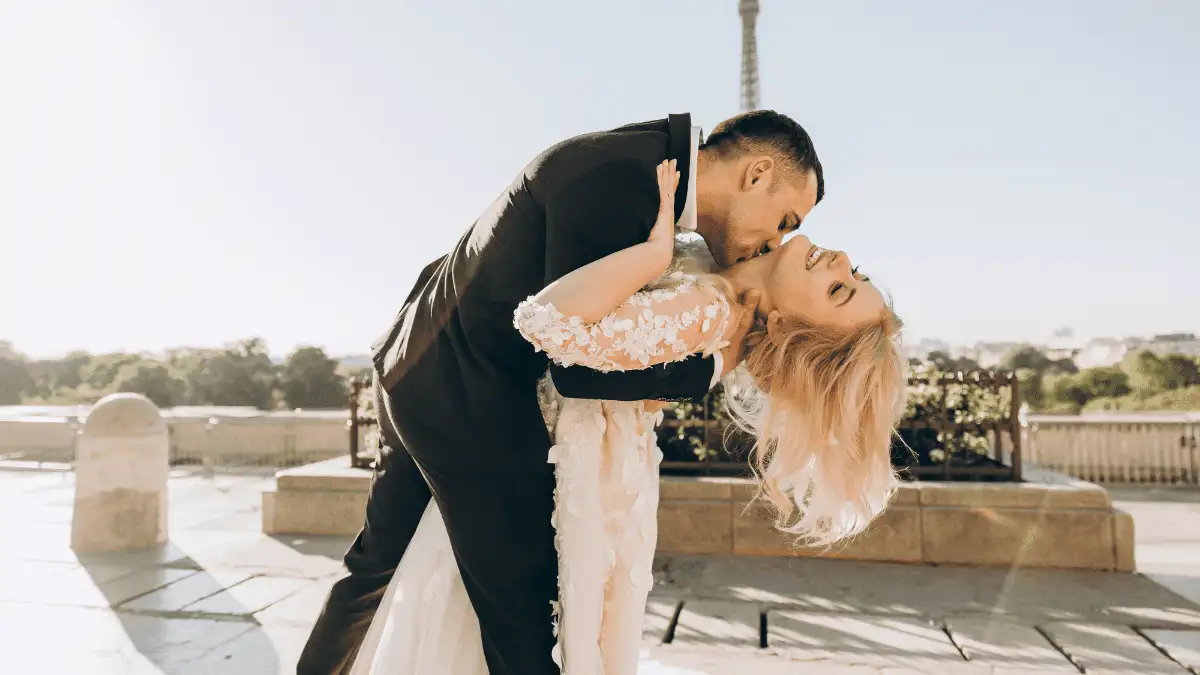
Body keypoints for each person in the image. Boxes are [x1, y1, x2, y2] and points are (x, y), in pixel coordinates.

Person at [300, 111, 836, 675]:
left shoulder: (641, 160)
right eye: (784, 220)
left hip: (415, 361)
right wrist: (710, 368)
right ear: (755, 174)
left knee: (374, 566)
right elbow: (579, 366)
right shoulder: (623, 184)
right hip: (465, 396)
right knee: (522, 609)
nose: (775, 241)